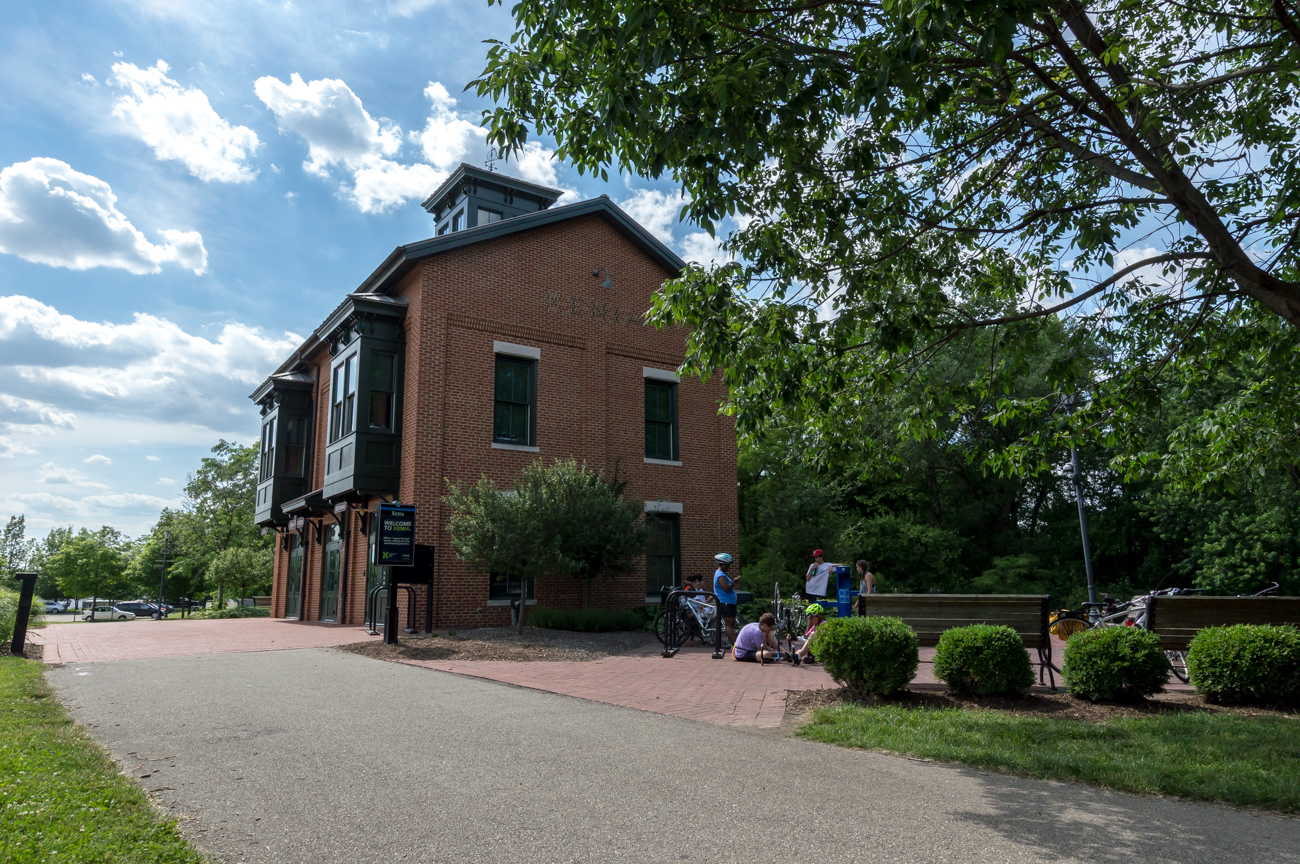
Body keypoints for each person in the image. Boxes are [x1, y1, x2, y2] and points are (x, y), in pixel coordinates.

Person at [713, 553, 738, 645]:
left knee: (730, 625)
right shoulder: (720, 575)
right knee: (729, 625)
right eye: (728, 565)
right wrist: (734, 581)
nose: (729, 567)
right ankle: (737, 647)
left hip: (729, 602)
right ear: (723, 564)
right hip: (726, 602)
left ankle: (736, 646)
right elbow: (726, 588)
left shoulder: (721, 574)